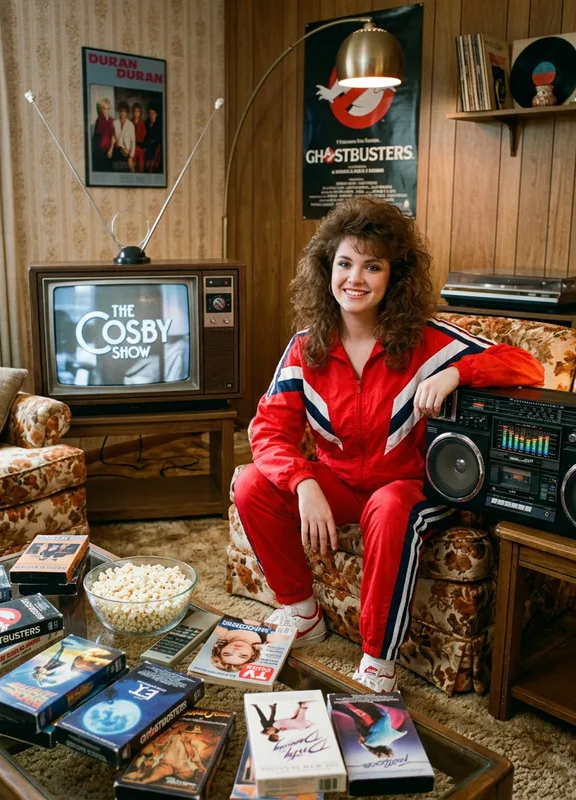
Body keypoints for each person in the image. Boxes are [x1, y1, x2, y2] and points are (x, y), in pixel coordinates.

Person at [233, 196, 544, 693]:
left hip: (408, 488)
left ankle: (377, 661)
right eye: (345, 263)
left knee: (390, 503)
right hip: (337, 481)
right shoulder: (305, 345)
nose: (355, 278)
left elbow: (528, 367)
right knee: (251, 483)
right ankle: (303, 614)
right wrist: (304, 482)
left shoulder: (429, 340)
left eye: (372, 266)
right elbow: (268, 429)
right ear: (326, 269)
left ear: (393, 276)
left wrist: (457, 373)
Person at [209, 617, 290, 672]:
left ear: (220, 650)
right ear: (253, 654)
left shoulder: (221, 631)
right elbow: (289, 632)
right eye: (243, 655)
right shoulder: (270, 638)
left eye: (227, 653)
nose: (236, 651)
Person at [333, 700, 408, 757]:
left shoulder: (387, 742)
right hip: (374, 725)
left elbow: (399, 731)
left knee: (362, 713)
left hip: (385, 719)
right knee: (355, 716)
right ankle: (341, 705)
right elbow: (361, 741)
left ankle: (348, 705)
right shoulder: (371, 744)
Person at [91, 98, 115, 172]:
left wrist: (111, 149)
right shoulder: (99, 120)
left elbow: (113, 138)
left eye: (108, 109)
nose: (106, 111)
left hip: (109, 149)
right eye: (104, 109)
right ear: (101, 109)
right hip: (100, 150)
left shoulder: (112, 121)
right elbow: (96, 139)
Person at [113, 100, 136, 172]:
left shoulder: (130, 125)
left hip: (127, 152)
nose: (122, 113)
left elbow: (133, 142)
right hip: (117, 149)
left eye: (124, 111)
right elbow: (114, 140)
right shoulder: (114, 123)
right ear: (119, 112)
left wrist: (131, 157)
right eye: (121, 111)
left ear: (127, 112)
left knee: (131, 167)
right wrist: (122, 148)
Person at [144, 106, 163, 172]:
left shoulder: (159, 124)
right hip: (147, 144)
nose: (152, 115)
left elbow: (159, 138)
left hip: (156, 144)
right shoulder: (146, 123)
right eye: (150, 113)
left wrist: (152, 141)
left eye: (153, 113)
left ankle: (151, 167)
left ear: (156, 114)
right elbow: (144, 136)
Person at [131, 102, 146, 172]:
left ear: (140, 113)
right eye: (135, 111)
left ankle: (140, 172)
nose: (136, 113)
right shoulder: (129, 122)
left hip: (139, 146)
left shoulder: (142, 124)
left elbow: (143, 138)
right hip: (131, 146)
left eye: (138, 111)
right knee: (133, 152)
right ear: (132, 112)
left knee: (140, 152)